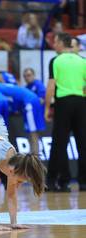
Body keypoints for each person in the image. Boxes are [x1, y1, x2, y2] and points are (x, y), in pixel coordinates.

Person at [45, 32, 86, 192]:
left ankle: (61, 181)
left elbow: (50, 86)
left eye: (55, 42)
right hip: (81, 102)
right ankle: (83, 182)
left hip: (63, 103)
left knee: (60, 144)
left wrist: (47, 108)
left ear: (62, 43)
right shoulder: (82, 60)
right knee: (83, 143)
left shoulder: (55, 60)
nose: (54, 45)